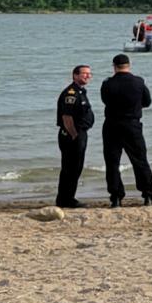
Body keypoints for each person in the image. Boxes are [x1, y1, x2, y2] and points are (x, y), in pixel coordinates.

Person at [100, 54, 152, 207]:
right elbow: (147, 102)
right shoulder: (138, 82)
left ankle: (116, 197)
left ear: (114, 66)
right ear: (129, 65)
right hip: (132, 124)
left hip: (112, 124)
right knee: (140, 160)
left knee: (112, 162)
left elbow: (105, 100)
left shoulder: (107, 83)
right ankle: (148, 195)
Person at [55, 65, 95, 208]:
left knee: (75, 168)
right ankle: (66, 199)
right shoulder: (71, 93)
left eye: (89, 74)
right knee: (70, 168)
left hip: (79, 133)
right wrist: (74, 135)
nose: (87, 76)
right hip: (72, 135)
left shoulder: (80, 91)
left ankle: (66, 198)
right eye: (84, 74)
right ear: (75, 75)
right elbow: (67, 117)